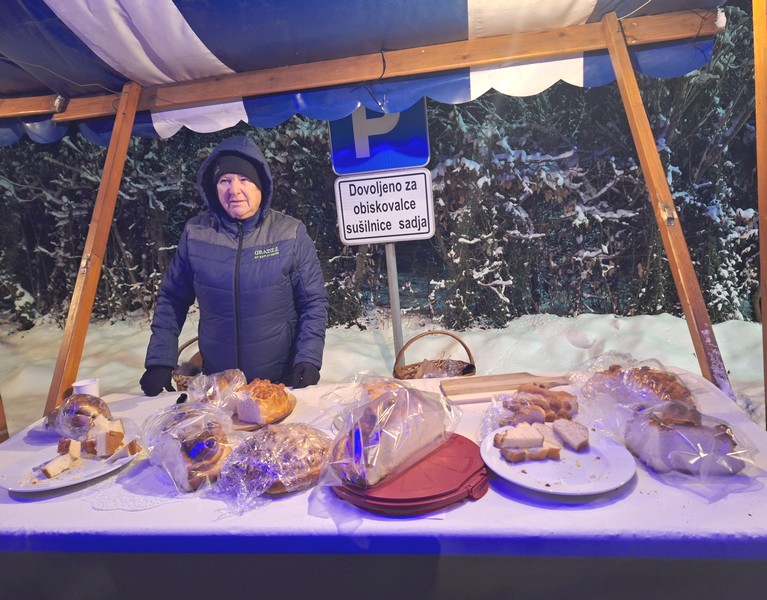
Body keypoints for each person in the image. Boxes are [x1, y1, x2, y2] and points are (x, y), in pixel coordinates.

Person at [139, 135, 328, 395]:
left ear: (261, 186)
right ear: (214, 188)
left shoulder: (290, 233)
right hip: (219, 385)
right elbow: (172, 298)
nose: (234, 190)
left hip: (280, 383)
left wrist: (308, 358)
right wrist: (160, 360)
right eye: (224, 181)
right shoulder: (196, 234)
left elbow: (313, 302)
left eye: (244, 180)